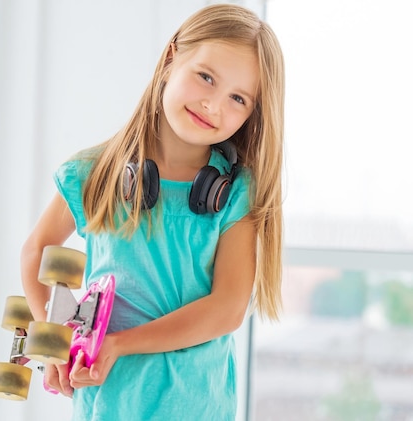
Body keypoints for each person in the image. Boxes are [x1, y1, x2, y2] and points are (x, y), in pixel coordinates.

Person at [20, 3, 285, 420]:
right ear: (170, 58)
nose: (213, 105)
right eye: (206, 77)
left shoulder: (237, 194)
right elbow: (37, 249)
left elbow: (226, 309)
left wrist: (121, 343)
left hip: (197, 408)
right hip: (106, 404)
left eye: (237, 98)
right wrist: (51, 341)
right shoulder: (94, 174)